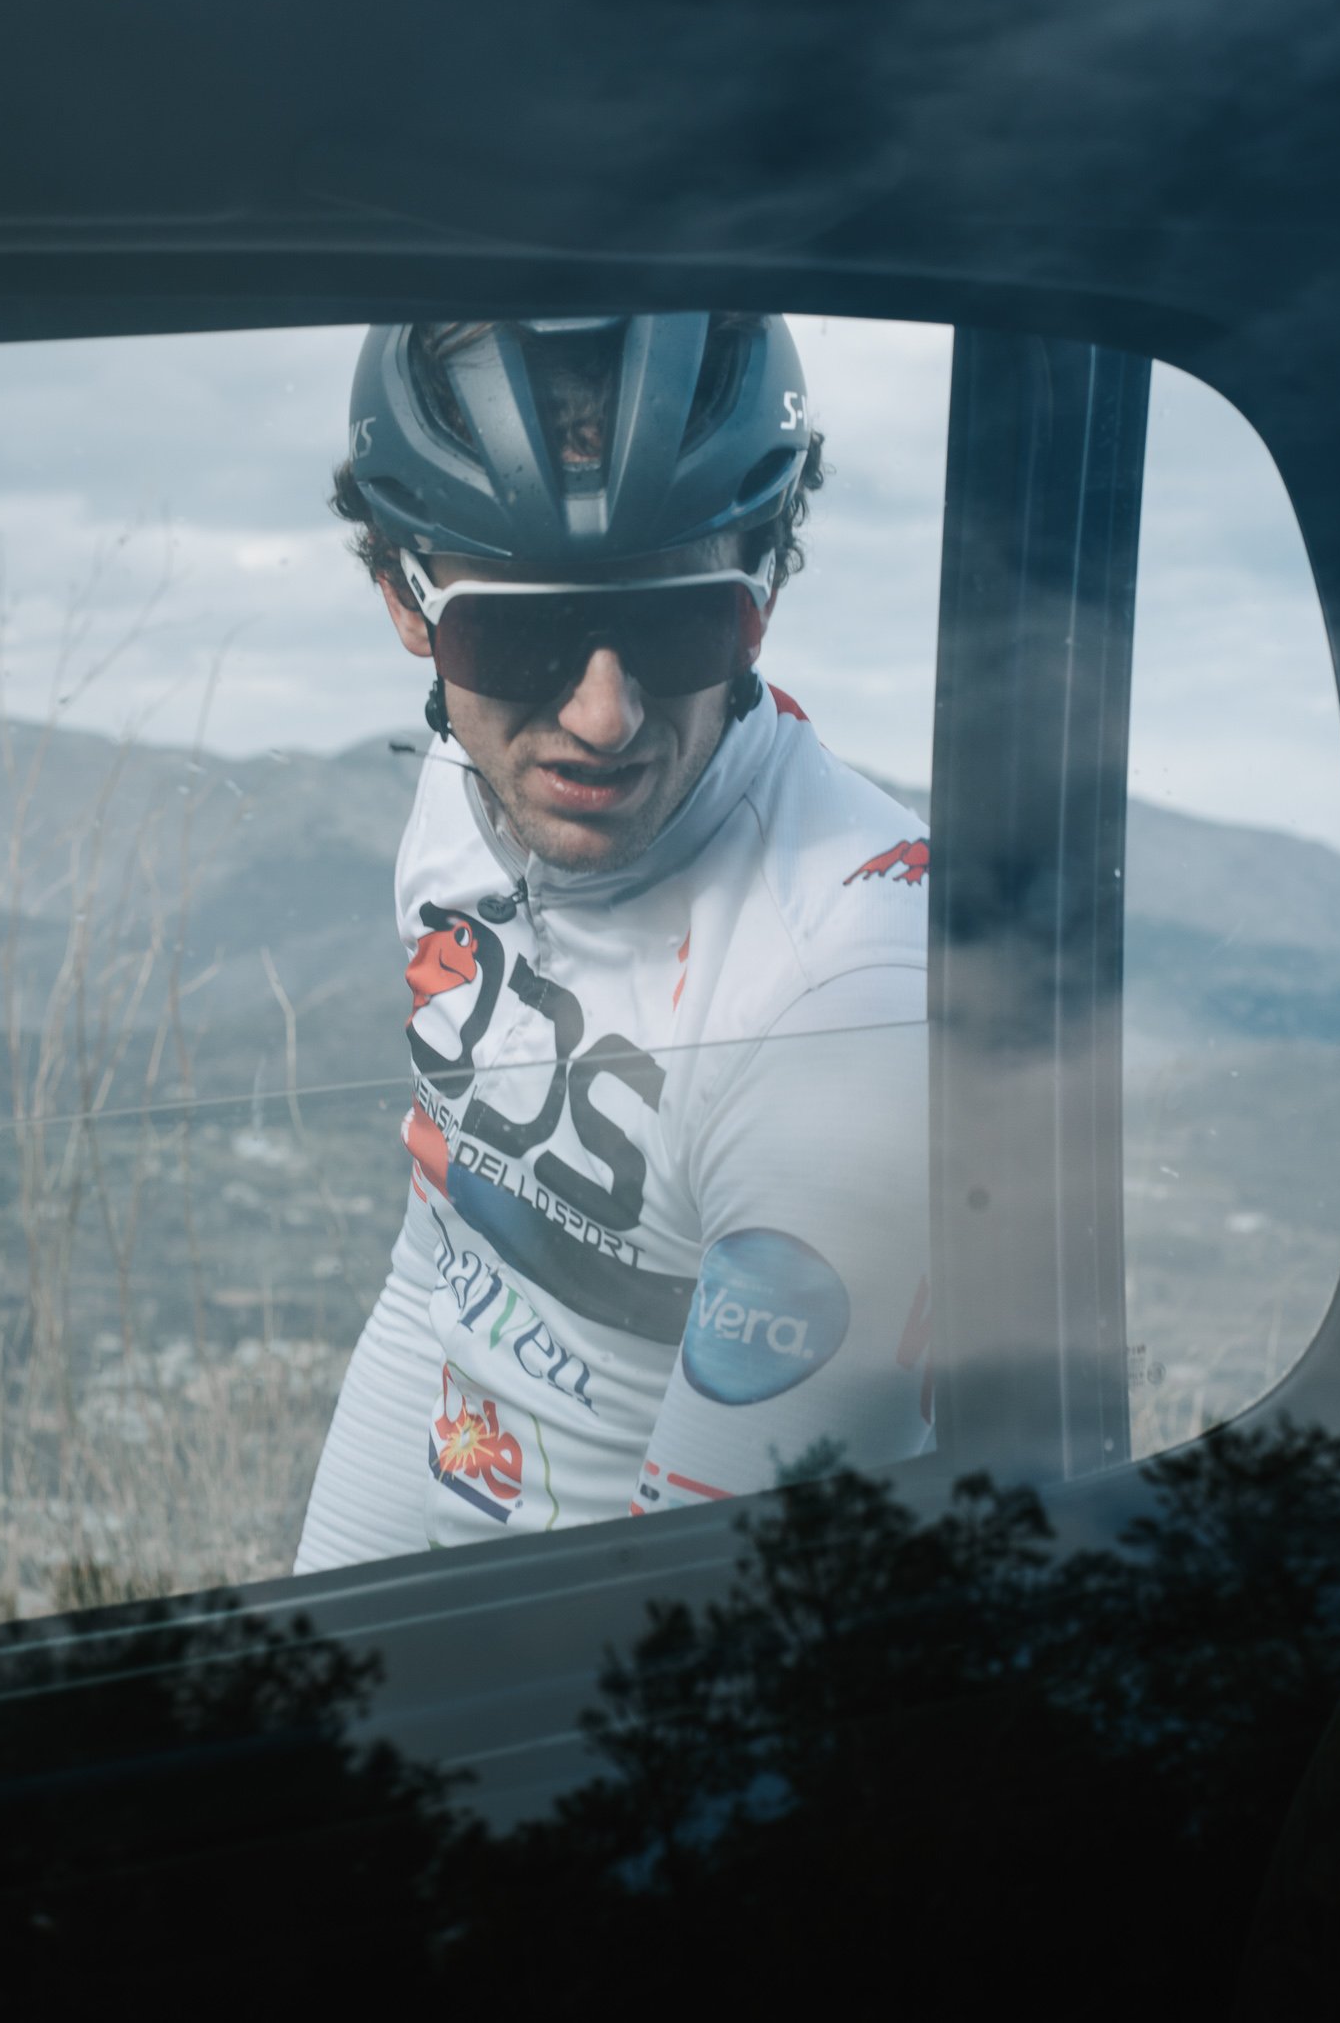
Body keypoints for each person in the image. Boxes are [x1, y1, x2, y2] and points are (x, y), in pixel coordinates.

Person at [295, 313, 931, 1568]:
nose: (601, 716)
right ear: (405, 604)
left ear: (758, 605)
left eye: (676, 625)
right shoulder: (462, 794)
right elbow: (443, 1266)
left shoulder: (841, 1004)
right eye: (518, 635)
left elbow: (713, 1603)